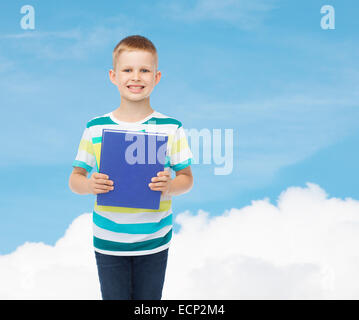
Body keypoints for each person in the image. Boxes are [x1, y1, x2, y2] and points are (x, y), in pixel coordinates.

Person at [68, 35, 194, 300]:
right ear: (113, 76)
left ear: (156, 77)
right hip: (108, 241)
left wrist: (171, 186)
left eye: (144, 70)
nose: (136, 77)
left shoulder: (172, 127)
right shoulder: (96, 127)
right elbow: (75, 178)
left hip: (155, 240)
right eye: (127, 70)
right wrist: (90, 184)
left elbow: (187, 178)